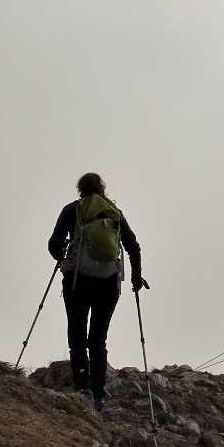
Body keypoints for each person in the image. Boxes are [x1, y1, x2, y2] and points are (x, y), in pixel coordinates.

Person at [47, 172, 145, 412]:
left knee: (77, 335)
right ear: (102, 188)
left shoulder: (72, 210)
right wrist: (135, 277)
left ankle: (84, 390)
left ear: (80, 189)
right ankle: (99, 397)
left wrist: (63, 257)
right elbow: (133, 246)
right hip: (108, 283)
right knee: (98, 339)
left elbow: (53, 244)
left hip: (77, 281)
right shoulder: (114, 213)